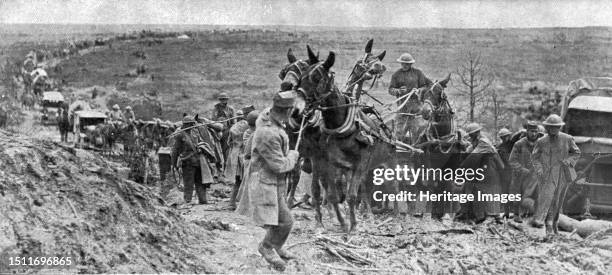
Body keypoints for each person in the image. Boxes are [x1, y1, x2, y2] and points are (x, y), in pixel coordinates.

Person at [248, 91, 300, 271]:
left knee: (280, 219)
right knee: (285, 221)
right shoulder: (268, 133)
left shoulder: (271, 118)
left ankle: (276, 246)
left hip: (274, 182)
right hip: (265, 182)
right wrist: (293, 156)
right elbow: (279, 166)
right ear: (288, 110)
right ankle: (267, 246)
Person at [530, 114, 581, 235]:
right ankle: (545, 224)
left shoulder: (567, 139)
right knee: (547, 198)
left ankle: (555, 224)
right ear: (546, 127)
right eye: (550, 127)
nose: (553, 129)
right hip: (547, 174)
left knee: (558, 200)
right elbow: (534, 157)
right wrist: (539, 169)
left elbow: (577, 153)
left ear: (560, 127)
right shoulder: (541, 141)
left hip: (563, 174)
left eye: (556, 127)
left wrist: (569, 161)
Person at [460, 122, 505, 223]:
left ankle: (492, 216)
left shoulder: (483, 142)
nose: (470, 136)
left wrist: (462, 167)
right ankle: (480, 215)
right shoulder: (476, 141)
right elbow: (470, 150)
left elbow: (473, 157)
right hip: (484, 169)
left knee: (490, 191)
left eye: (472, 134)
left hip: (491, 168)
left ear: (477, 132)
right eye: (469, 134)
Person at [171, 115, 218, 206]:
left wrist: (201, 148)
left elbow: (201, 143)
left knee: (200, 181)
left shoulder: (195, 133)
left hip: (198, 161)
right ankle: (187, 200)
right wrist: (173, 164)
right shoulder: (180, 135)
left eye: (193, 124)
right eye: (191, 124)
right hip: (187, 162)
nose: (193, 125)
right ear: (185, 125)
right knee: (189, 182)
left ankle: (202, 199)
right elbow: (175, 150)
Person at [388, 53, 433, 140]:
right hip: (402, 109)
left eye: (407, 64)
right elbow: (390, 90)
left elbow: (428, 85)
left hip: (417, 109)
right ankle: (398, 149)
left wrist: (420, 90)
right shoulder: (396, 75)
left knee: (418, 133)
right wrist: (398, 91)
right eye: (403, 63)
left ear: (410, 64)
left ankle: (418, 149)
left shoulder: (418, 73)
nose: (404, 65)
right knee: (398, 134)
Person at [235, 110, 259, 214]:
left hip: (253, 161)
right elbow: (249, 150)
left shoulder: (255, 133)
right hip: (250, 161)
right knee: (250, 184)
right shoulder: (249, 133)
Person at [226, 110, 249, 207]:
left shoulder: (233, 128)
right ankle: (241, 203)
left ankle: (232, 202)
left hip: (234, 153)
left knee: (237, 180)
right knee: (246, 179)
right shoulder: (248, 126)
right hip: (243, 154)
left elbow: (228, 142)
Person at [211, 92, 236, 166]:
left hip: (227, 131)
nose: (223, 101)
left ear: (227, 100)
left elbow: (233, 122)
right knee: (217, 148)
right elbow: (213, 119)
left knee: (226, 149)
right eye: (221, 99)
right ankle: (217, 165)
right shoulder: (216, 108)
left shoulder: (230, 109)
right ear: (219, 100)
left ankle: (226, 164)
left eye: (224, 99)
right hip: (217, 131)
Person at [496, 128, 514, 218]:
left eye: (506, 136)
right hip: (504, 172)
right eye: (502, 137)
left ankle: (513, 212)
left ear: (509, 136)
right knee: (504, 192)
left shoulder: (513, 144)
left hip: (513, 171)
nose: (504, 138)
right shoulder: (499, 147)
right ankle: (505, 212)